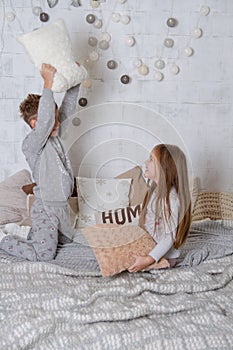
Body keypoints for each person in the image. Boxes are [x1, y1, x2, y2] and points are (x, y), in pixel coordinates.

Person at [0, 62, 86, 261]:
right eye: (51, 119)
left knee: (70, 243)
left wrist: (76, 79)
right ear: (35, 124)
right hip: (46, 209)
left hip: (62, 209)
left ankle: (28, 234)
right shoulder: (32, 144)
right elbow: (47, 121)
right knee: (45, 255)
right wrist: (48, 83)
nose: (57, 123)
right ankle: (4, 240)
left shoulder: (55, 137)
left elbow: (67, 109)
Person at [128, 144, 191, 272]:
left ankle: (159, 263)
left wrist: (148, 259)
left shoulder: (172, 200)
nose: (146, 162)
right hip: (150, 245)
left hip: (163, 255)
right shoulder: (154, 191)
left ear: (164, 168)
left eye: (151, 159)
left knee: (123, 261)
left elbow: (169, 238)